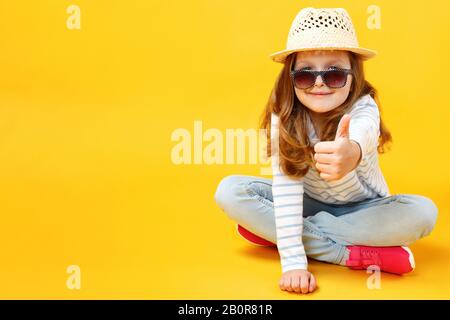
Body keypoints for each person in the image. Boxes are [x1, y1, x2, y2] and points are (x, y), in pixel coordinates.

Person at [214, 7, 438, 294]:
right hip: (307, 202)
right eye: (306, 75)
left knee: (423, 213)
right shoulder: (284, 116)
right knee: (230, 191)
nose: (319, 83)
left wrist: (351, 153)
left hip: (365, 211)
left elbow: (364, 133)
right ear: (291, 78)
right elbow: (286, 188)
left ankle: (278, 232)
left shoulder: (363, 108)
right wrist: (294, 264)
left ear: (353, 75)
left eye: (333, 74)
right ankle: (349, 255)